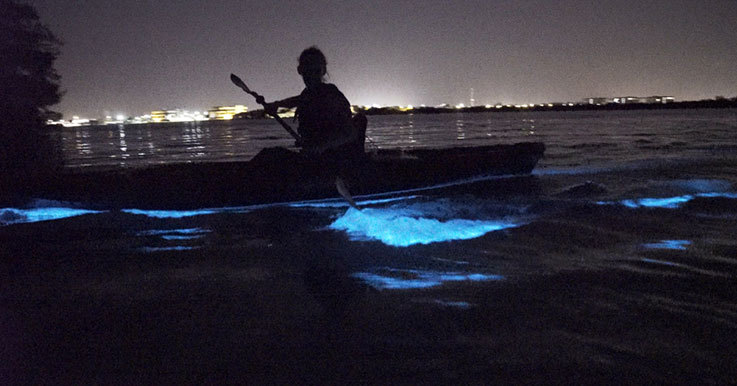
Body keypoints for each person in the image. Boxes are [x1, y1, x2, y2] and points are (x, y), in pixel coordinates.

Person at [263, 46, 366, 207]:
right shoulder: (308, 94)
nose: (310, 75)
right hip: (313, 159)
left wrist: (321, 146)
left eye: (315, 70)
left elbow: (350, 133)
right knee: (270, 155)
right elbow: (299, 100)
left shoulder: (332, 95)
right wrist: (277, 105)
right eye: (306, 70)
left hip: (333, 163)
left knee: (272, 157)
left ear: (323, 71)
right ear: (300, 70)